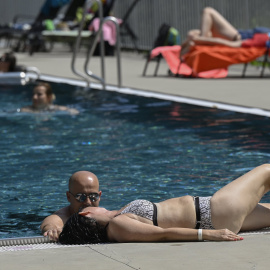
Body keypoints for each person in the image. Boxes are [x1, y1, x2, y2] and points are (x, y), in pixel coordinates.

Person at [59, 164, 270, 244]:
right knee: (267, 171)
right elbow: (162, 234)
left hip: (216, 215)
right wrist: (208, 234)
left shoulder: (117, 221)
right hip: (215, 212)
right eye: (87, 205)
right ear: (86, 215)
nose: (90, 203)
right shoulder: (118, 225)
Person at [180, 7, 269, 56]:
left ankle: (201, 42)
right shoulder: (266, 36)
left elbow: (234, 44)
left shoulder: (262, 39)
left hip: (236, 37)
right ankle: (178, 58)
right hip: (235, 35)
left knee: (208, 11)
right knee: (192, 34)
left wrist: (202, 40)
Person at [41, 171, 102, 241]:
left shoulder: (104, 215)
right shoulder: (62, 218)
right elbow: (50, 224)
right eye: (80, 197)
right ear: (69, 197)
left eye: (93, 196)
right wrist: (52, 230)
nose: (88, 202)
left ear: (99, 196)